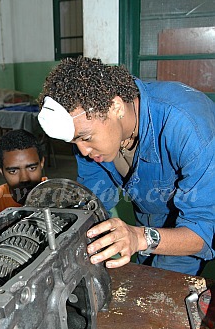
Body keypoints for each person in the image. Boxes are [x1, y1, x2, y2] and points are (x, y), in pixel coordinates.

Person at [37, 56, 215, 276]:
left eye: (86, 138)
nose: (82, 151)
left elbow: (202, 231)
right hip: (150, 218)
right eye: (74, 142)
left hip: (193, 225)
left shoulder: (186, 126)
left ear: (116, 107)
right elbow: (94, 200)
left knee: (159, 292)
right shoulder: (90, 135)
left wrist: (139, 237)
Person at [0, 129, 46, 221]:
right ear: (1, 170)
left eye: (31, 168)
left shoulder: (60, 197)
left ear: (41, 163)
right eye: (13, 171)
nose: (24, 178)